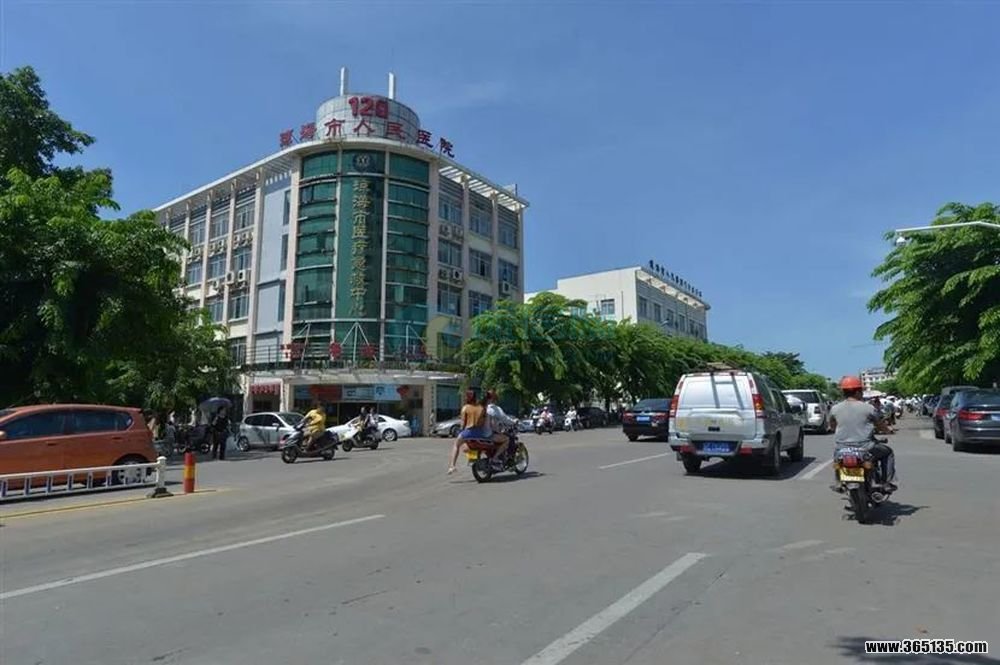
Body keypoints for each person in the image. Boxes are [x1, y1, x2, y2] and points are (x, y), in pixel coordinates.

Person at [829, 376, 896, 492]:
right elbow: (880, 424)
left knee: (837, 458)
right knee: (888, 453)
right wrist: (888, 430)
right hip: (865, 446)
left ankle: (839, 482)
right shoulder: (868, 408)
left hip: (842, 447)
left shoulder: (835, 408)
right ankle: (886, 482)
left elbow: (832, 426)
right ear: (858, 392)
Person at [447, 390, 488, 474]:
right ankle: (474, 458)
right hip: (479, 432)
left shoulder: (465, 408)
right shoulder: (481, 408)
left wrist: (461, 432)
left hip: (469, 431)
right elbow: (483, 422)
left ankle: (452, 466)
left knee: (456, 444)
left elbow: (462, 423)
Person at [484, 390, 517, 465]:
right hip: (489, 435)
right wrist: (514, 421)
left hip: (480, 435)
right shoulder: (495, 409)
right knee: (507, 439)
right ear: (495, 399)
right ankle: (495, 458)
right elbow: (505, 419)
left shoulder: (482, 407)